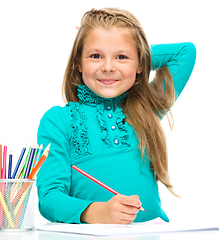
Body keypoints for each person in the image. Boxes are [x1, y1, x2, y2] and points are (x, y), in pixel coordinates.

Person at [37, 8, 196, 224]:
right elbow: (49, 199)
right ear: (78, 61)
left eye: (121, 57)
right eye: (95, 56)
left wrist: (133, 49)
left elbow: (185, 52)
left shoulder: (146, 110)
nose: (109, 67)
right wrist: (99, 212)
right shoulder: (58, 120)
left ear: (141, 64)